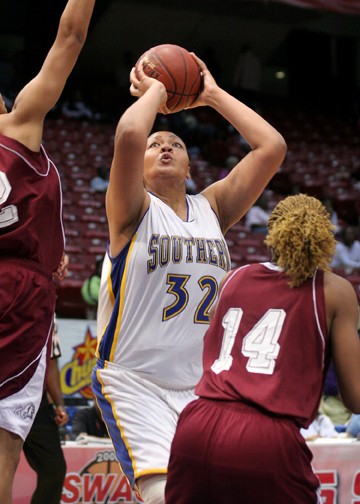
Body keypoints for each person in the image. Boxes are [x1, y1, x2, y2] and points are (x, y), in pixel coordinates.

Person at [92, 53, 286, 504]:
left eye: (175, 144)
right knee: (165, 496)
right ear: (135, 168)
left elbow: (271, 147)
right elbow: (128, 132)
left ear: (190, 166)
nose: (164, 147)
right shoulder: (131, 209)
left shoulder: (212, 209)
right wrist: (159, 89)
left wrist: (212, 95)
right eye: (155, 144)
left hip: (202, 384)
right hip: (134, 380)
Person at [165, 194, 360, 504]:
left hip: (196, 424)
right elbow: (355, 397)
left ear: (271, 234)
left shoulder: (232, 278)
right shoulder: (334, 290)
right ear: (326, 235)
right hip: (265, 436)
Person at [0, 2, 95, 503]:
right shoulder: (18, 126)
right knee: (5, 444)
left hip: (25, 272)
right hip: (18, 290)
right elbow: (70, 38)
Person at [23, 317, 69, 504]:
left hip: (33, 398)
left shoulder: (49, 314)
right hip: (9, 391)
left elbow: (50, 361)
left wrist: (59, 404)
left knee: (53, 469)